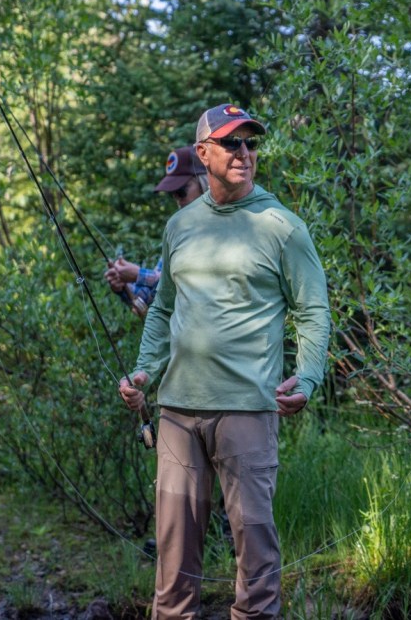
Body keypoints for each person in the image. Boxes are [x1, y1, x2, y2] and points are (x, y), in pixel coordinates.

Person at [118, 103, 330, 619]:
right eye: (232, 143)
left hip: (248, 411)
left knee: (255, 555)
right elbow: (164, 307)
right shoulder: (181, 225)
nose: (245, 153)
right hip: (176, 412)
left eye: (252, 143)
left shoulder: (282, 226)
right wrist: (145, 370)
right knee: (172, 562)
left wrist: (307, 376)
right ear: (204, 153)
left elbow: (313, 309)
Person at [104, 146, 208, 318]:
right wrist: (122, 286)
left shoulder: (222, 229)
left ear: (205, 183)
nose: (177, 199)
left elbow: (193, 287)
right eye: (172, 194)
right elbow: (148, 298)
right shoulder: (178, 232)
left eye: (181, 191)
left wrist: (138, 275)